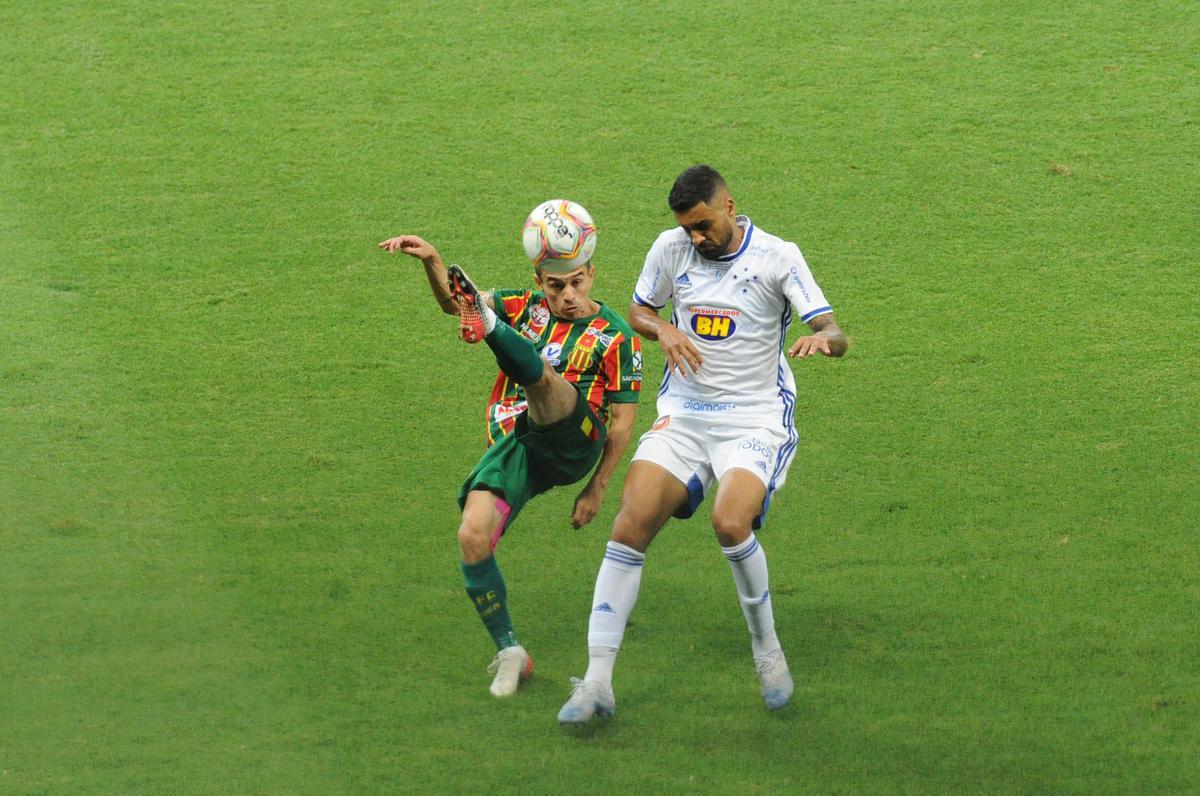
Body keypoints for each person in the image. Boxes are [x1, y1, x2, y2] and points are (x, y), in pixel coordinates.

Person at [557, 165, 848, 724]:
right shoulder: (671, 248)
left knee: (730, 523)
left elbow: (835, 331)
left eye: (703, 225)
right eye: (687, 228)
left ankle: (768, 652)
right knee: (629, 523)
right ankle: (596, 683)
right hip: (686, 415)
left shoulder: (778, 257)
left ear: (730, 207)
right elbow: (641, 308)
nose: (695, 237)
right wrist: (661, 328)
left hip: (754, 420)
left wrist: (823, 341)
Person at [379, 207, 642, 699]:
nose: (567, 295)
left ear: (592, 275)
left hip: (575, 439)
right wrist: (432, 261)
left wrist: (596, 489)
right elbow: (451, 306)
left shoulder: (617, 337)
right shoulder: (525, 305)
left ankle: (493, 332)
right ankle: (510, 652)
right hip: (518, 444)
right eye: (554, 286)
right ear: (538, 279)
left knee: (542, 377)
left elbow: (623, 422)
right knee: (472, 536)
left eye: (576, 283)